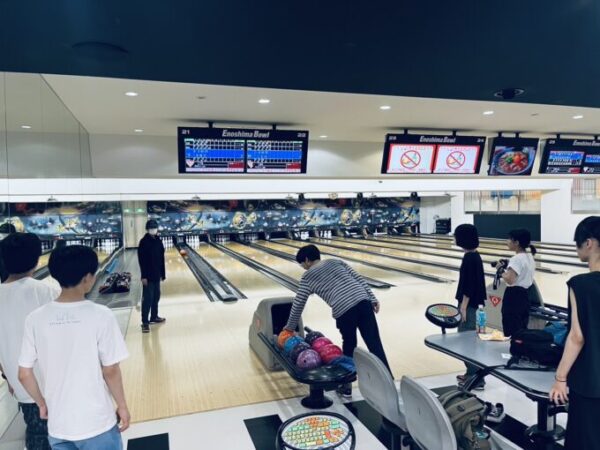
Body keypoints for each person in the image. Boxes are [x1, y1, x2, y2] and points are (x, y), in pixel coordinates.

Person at [18, 245, 130, 450]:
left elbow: (24, 374)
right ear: (87, 278)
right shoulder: (102, 315)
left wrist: (41, 403)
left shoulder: (34, 319)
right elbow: (111, 370)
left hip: (58, 426)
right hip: (97, 423)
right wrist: (122, 406)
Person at [283, 244, 390, 398]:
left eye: (302, 264)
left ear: (306, 260)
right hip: (363, 302)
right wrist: (372, 298)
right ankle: (388, 383)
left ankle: (346, 387)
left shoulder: (307, 277)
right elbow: (359, 279)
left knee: (349, 346)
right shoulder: (336, 261)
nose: (303, 268)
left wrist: (289, 327)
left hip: (344, 311)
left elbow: (298, 303)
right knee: (375, 343)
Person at [0, 233, 59, 450]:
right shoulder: (49, 292)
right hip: (55, 385)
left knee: (37, 435)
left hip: (22, 387)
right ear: (36, 260)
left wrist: (7, 376)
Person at [549, 216, 600, 450]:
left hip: (590, 382)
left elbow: (576, 336)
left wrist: (560, 379)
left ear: (588, 243)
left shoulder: (580, 284)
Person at [454, 224, 487, 390]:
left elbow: (469, 285)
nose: (454, 238)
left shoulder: (469, 258)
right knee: (473, 340)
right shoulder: (475, 255)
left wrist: (463, 307)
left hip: (470, 306)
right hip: (478, 305)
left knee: (466, 341)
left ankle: (476, 379)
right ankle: (472, 374)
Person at [501, 229, 537, 337]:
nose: (507, 241)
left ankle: (512, 347)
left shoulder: (516, 259)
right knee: (521, 329)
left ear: (516, 242)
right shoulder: (529, 257)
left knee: (511, 329)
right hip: (525, 296)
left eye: (509, 239)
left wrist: (500, 270)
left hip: (513, 297)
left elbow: (510, 279)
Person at [137, 219, 166, 333]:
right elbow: (141, 260)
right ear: (147, 229)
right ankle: (145, 322)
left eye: (154, 228)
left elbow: (161, 258)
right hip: (148, 276)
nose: (153, 229)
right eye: (151, 228)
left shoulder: (158, 240)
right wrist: (143, 276)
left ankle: (154, 316)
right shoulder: (143, 242)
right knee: (147, 299)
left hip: (157, 274)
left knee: (156, 296)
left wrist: (162, 274)